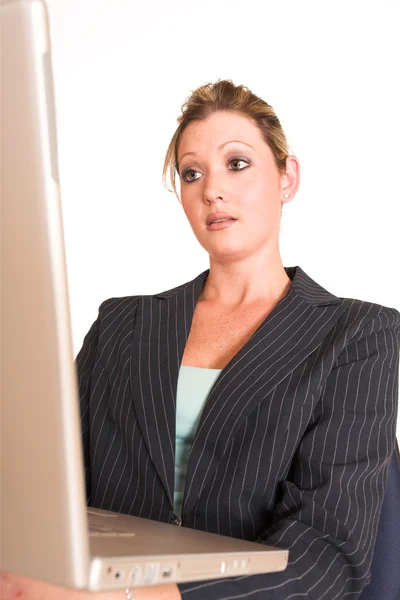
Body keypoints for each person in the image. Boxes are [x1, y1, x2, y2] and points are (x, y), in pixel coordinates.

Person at [1, 79, 399, 600]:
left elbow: (327, 556)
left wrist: (146, 598)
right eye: (192, 173)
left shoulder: (358, 335)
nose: (212, 189)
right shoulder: (121, 325)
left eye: (237, 163)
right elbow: (47, 496)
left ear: (287, 177)